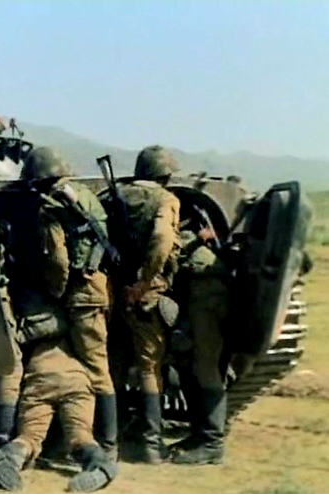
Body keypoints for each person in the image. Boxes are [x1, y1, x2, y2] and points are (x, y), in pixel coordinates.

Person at [19, 146, 119, 461]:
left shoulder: (51, 205)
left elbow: (58, 259)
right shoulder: (86, 195)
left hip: (80, 293)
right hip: (98, 285)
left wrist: (55, 292)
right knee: (89, 364)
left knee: (95, 368)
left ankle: (107, 446)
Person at [0, 335, 118, 493]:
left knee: (29, 437)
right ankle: (99, 464)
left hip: (39, 376)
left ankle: (10, 458)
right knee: (81, 436)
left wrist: (2, 436)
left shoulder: (32, 333)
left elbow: (12, 374)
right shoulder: (81, 335)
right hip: (76, 379)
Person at [115, 144, 182, 464]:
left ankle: (110, 433)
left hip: (115, 288)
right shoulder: (165, 200)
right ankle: (151, 445)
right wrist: (144, 281)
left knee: (113, 363)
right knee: (149, 366)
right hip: (146, 291)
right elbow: (162, 241)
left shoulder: (117, 195)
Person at [168, 226, 230, 465]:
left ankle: (213, 443)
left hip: (207, 298)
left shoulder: (184, 235)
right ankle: (199, 434)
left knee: (206, 368)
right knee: (189, 366)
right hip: (196, 297)